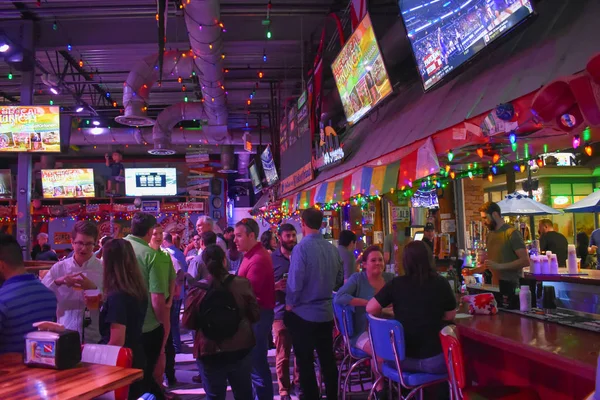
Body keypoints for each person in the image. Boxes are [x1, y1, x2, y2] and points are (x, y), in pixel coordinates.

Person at [367, 241, 456, 380]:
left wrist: (394, 310)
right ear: (429, 259)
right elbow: (450, 316)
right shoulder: (441, 283)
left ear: (405, 262)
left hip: (400, 360)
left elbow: (370, 308)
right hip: (434, 361)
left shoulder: (396, 284)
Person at [285, 208, 343, 400]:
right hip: (326, 313)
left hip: (304, 314)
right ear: (321, 223)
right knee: (327, 360)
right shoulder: (332, 249)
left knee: (305, 362)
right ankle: (333, 396)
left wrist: (289, 304)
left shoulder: (300, 249)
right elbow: (338, 280)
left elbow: (295, 283)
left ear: (302, 222)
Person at [189, 245, 259, 400]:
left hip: (209, 349)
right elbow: (255, 314)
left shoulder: (197, 289)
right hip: (240, 347)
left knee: (214, 396)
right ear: (224, 261)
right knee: (244, 394)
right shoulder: (242, 284)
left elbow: (188, 322)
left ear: (205, 264)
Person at [334, 245, 394, 394]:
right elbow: (339, 297)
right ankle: (380, 390)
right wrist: (369, 304)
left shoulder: (390, 279)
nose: (378, 263)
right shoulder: (358, 279)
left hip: (388, 329)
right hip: (362, 332)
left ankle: (399, 389)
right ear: (364, 264)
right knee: (379, 352)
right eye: (373, 260)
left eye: (380, 260)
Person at [124, 213, 170, 400]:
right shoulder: (152, 255)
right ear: (151, 231)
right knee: (147, 381)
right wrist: (165, 330)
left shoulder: (117, 248)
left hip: (118, 326)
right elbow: (157, 300)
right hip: (147, 328)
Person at [99, 238, 148, 400]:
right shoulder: (136, 289)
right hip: (136, 354)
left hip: (122, 363)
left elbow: (117, 341)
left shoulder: (117, 296)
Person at [42, 221, 103, 343]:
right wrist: (58, 282)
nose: (84, 248)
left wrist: (94, 288)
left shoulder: (103, 269)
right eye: (80, 243)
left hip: (94, 336)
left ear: (95, 244)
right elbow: (42, 296)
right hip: (65, 332)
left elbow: (112, 301)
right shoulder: (59, 268)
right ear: (72, 242)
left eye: (89, 244)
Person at [235, 218, 276, 400]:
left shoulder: (258, 258)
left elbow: (249, 294)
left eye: (239, 236)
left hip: (257, 317)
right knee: (255, 365)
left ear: (252, 235)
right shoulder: (250, 254)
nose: (235, 240)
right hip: (256, 316)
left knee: (257, 365)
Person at [0, 233, 57, 354]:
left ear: (1, 265)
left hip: (10, 371)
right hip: (42, 369)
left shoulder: (3, 300)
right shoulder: (49, 295)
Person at [465, 202, 529, 285]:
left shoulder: (512, 233)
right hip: (495, 286)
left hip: (513, 286)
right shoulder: (490, 235)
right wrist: (471, 272)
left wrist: (499, 266)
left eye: (485, 218)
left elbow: (525, 261)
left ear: (495, 214)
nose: (484, 222)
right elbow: (490, 265)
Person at [271, 224, 300, 400]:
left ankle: (298, 383)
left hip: (300, 311)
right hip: (280, 312)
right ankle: (283, 390)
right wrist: (275, 286)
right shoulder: (272, 259)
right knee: (283, 354)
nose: (291, 239)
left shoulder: (301, 255)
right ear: (279, 237)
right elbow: (263, 285)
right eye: (287, 236)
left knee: (301, 351)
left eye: (293, 235)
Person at [148, 225, 177, 392]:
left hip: (164, 305)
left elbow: (172, 279)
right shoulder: (145, 254)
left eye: (160, 234)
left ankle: (163, 382)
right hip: (149, 307)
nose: (158, 237)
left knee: (165, 346)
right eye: (155, 233)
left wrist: (170, 301)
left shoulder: (166, 255)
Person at [163, 232, 187, 354]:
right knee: (174, 321)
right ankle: (176, 344)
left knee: (172, 322)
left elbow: (179, 273)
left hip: (174, 293)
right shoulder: (179, 253)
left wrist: (176, 289)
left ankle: (176, 346)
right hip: (179, 292)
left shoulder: (168, 254)